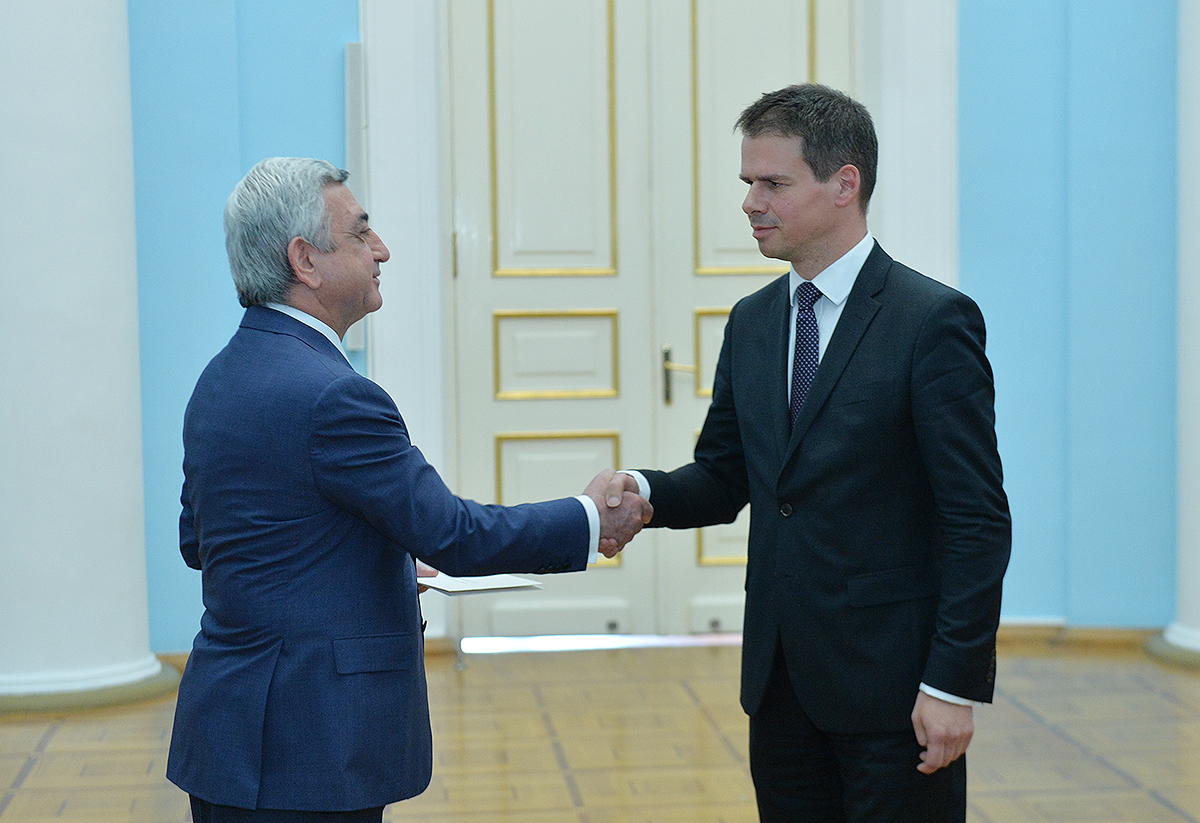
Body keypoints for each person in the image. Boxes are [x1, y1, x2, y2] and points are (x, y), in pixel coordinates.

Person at [166, 157, 652, 823]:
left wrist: (364, 566)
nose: (382, 249)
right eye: (361, 232)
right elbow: (454, 535)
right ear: (305, 260)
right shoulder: (335, 395)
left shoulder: (222, 375)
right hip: (309, 744)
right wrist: (588, 518)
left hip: (230, 734)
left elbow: (207, 544)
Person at [610, 84, 1010, 821]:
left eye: (773, 183)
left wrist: (952, 684)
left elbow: (976, 517)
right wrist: (645, 492)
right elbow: (726, 474)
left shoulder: (931, 322)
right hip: (780, 686)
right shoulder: (754, 321)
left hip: (896, 691)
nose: (750, 202)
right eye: (747, 182)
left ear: (844, 184)